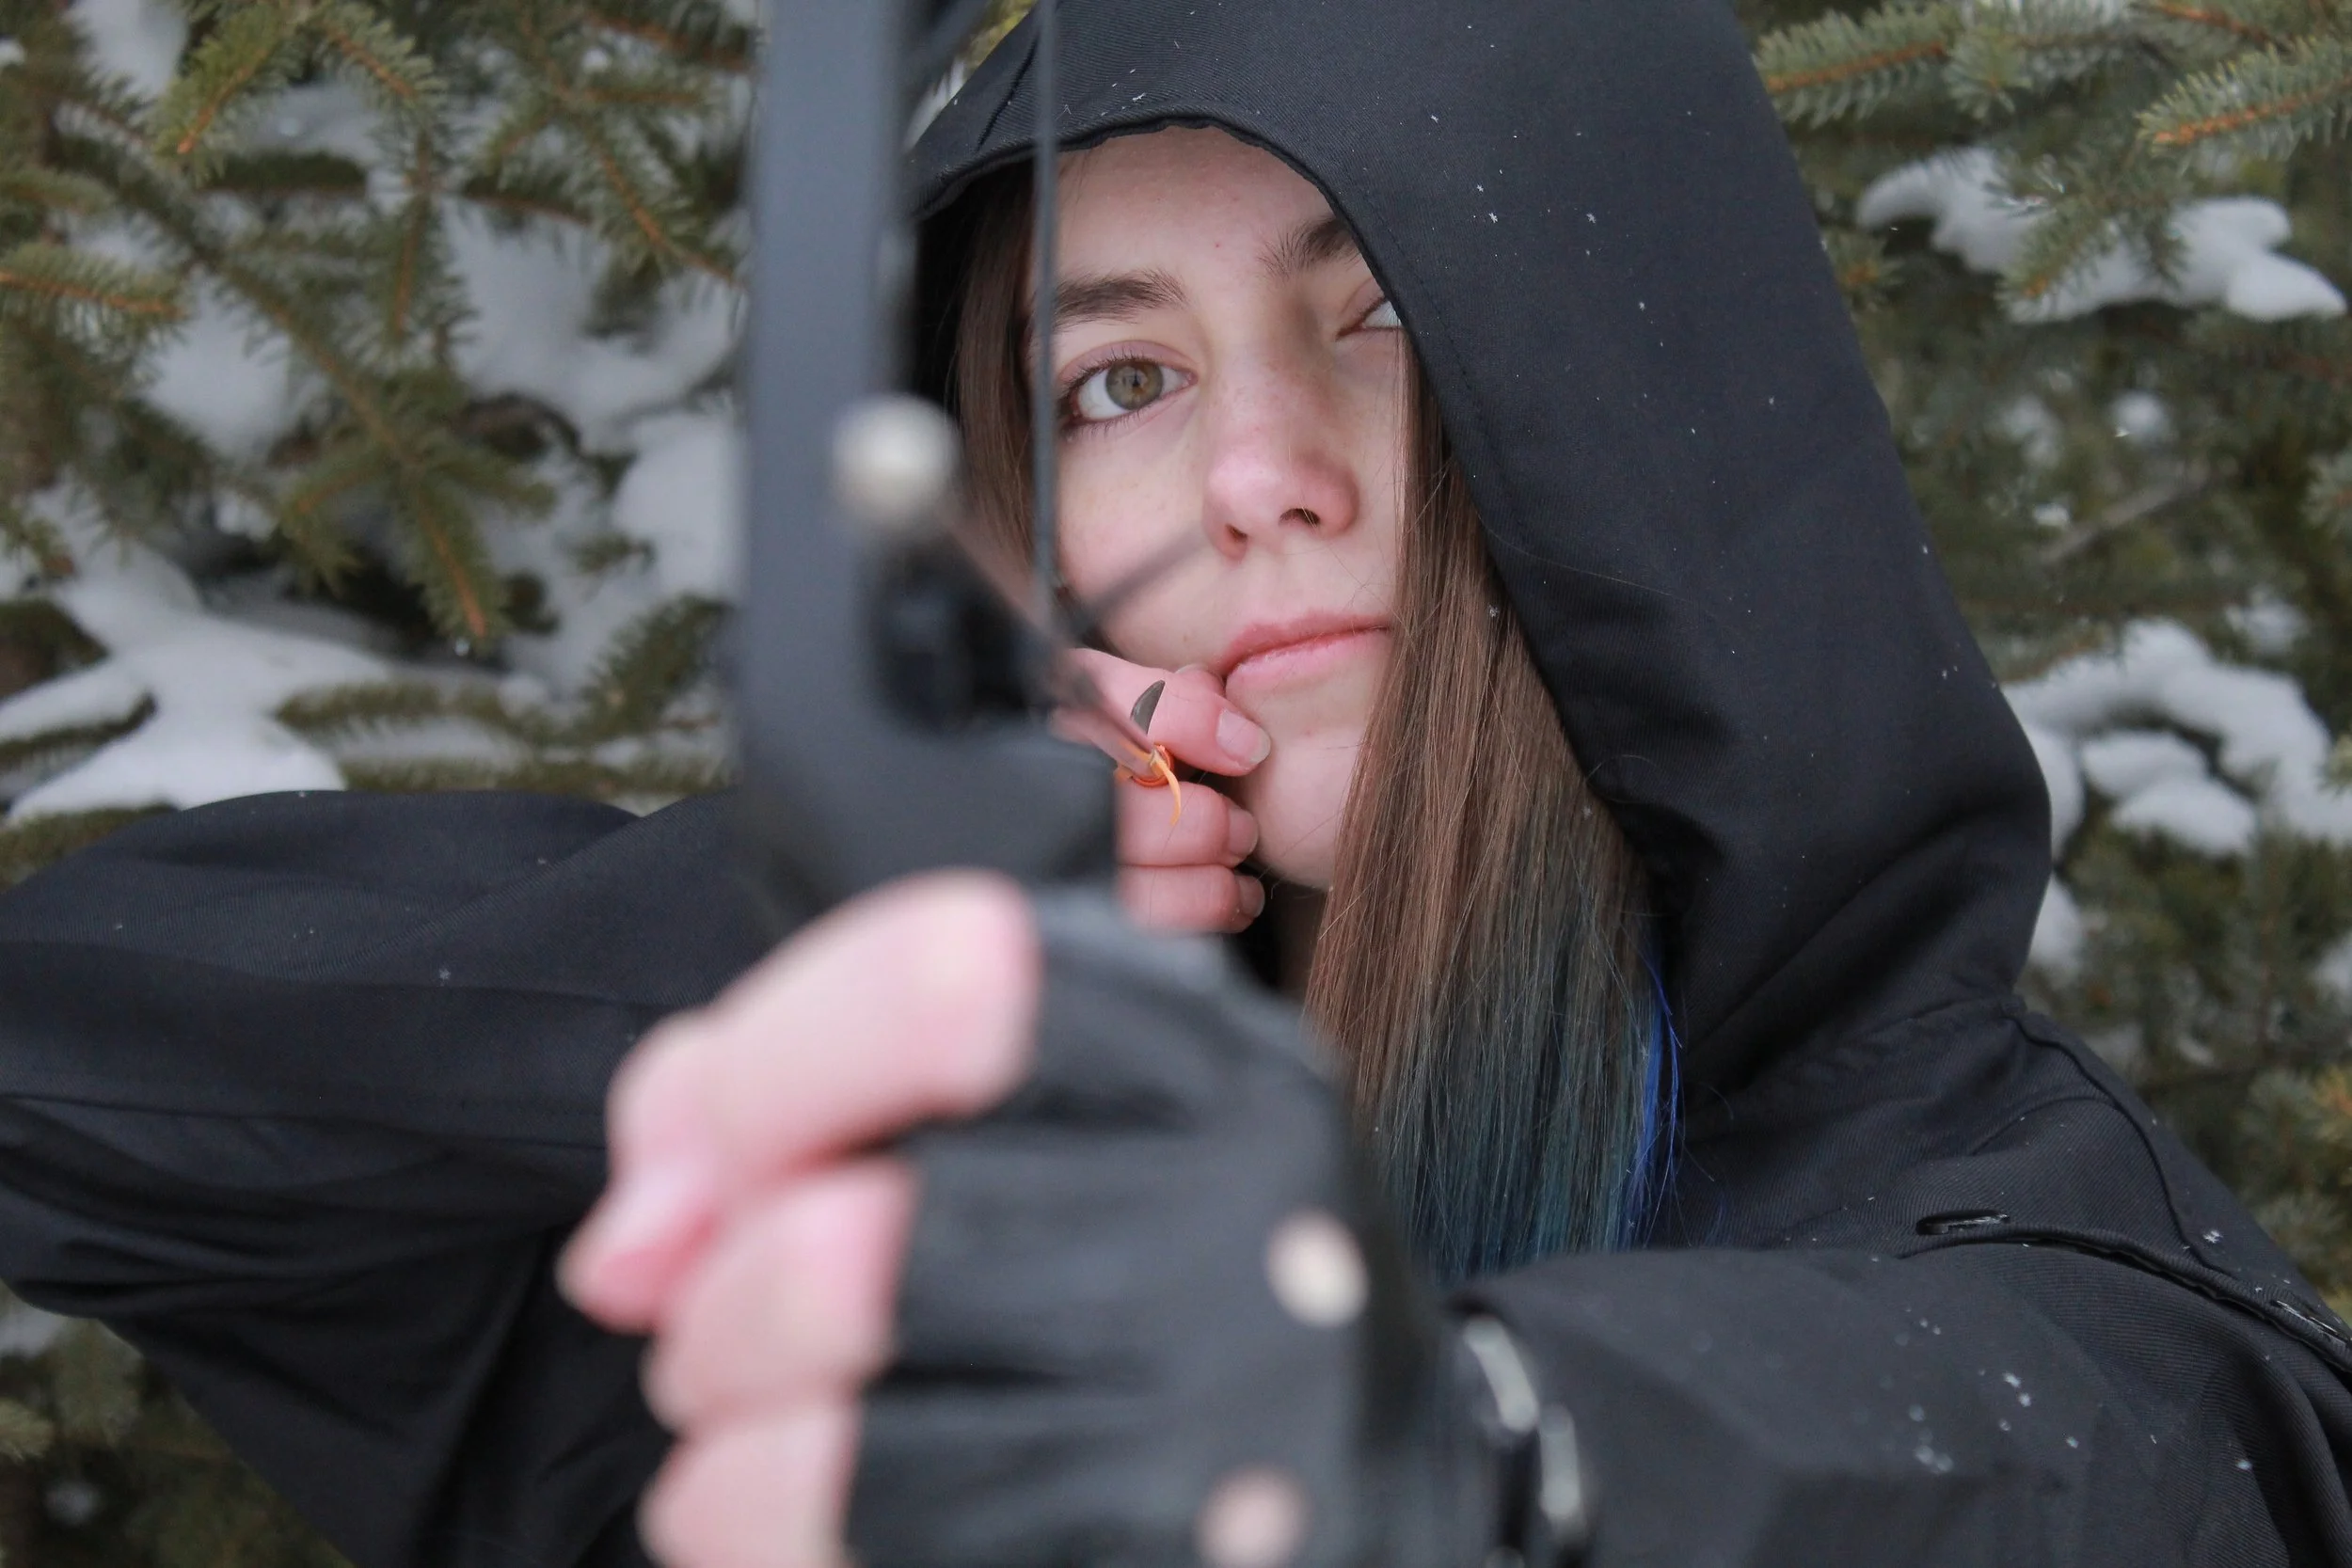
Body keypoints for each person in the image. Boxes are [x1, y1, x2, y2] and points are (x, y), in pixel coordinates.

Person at [3, 2, 2350, 1565]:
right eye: (1112, 380)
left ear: (1646, 399)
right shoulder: (902, 1187)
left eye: (1384, 317)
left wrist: (1437, 1446)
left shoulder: (2033, 1249)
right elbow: (71, 1080)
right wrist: (786, 941)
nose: (1255, 474)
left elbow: (2052, 1463)